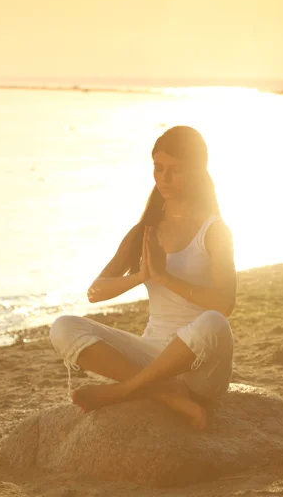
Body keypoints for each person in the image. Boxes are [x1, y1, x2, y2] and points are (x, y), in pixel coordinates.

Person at [50, 125, 236, 430]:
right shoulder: (145, 230)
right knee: (63, 327)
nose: (164, 178)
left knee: (215, 322)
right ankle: (166, 393)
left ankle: (124, 390)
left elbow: (225, 303)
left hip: (199, 367)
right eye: (158, 168)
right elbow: (95, 292)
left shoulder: (214, 231)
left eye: (175, 170)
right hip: (152, 357)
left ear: (197, 170)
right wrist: (139, 276)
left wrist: (165, 278)